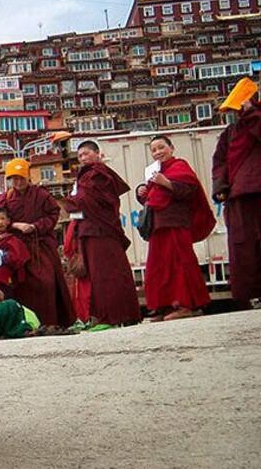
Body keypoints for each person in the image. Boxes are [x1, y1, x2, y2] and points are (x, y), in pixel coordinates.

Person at [61, 141, 141, 330]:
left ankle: (113, 316)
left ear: (97, 154)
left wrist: (69, 202)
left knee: (107, 274)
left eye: (86, 153)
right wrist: (74, 203)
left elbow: (88, 200)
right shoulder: (87, 176)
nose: (82, 158)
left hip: (101, 231)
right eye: (79, 156)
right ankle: (109, 316)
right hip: (90, 230)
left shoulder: (99, 174)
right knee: (98, 275)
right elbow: (82, 202)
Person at [136, 135, 215, 321]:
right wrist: (141, 191)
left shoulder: (180, 166)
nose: (158, 152)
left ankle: (186, 304)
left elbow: (189, 191)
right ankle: (164, 306)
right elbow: (151, 198)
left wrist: (166, 183)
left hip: (176, 223)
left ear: (171, 148)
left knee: (179, 263)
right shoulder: (155, 172)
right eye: (154, 150)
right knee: (159, 267)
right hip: (158, 224)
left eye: (161, 147)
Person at [0, 158, 75, 329]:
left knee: (47, 283)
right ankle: (28, 325)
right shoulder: (7, 198)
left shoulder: (41, 194)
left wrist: (35, 226)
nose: (17, 182)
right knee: (23, 288)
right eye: (14, 179)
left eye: (21, 178)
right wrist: (15, 225)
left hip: (41, 246)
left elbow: (54, 214)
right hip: (19, 248)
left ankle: (52, 322)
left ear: (27, 177)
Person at [212, 87, 261, 308]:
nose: (238, 111)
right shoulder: (230, 132)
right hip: (238, 195)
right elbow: (220, 161)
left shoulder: (256, 121)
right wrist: (221, 186)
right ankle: (252, 294)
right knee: (244, 247)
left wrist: (252, 114)